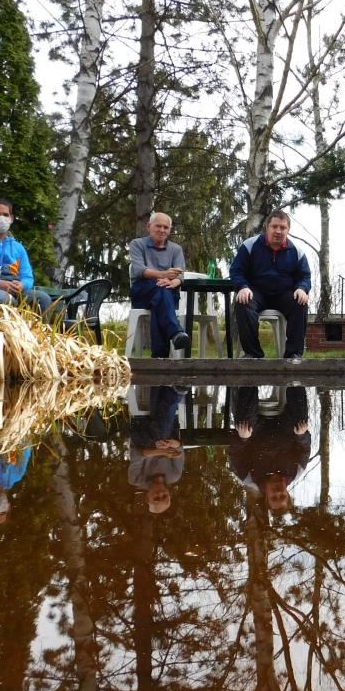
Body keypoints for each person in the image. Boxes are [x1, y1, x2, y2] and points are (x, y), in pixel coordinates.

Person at [230, 209, 311, 360]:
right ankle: (253, 355)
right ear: (267, 227)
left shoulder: (297, 251)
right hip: (256, 293)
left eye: (283, 227)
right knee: (243, 301)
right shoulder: (249, 245)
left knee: (300, 302)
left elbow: (304, 276)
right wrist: (242, 286)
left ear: (288, 230)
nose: (278, 231)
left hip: (284, 294)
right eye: (274, 226)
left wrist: (302, 288)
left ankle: (293, 355)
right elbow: (236, 271)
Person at [229, 385, 311, 513]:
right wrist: (301, 436)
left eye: (274, 497)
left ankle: (249, 379)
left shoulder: (247, 478)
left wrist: (243, 439)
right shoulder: (297, 471)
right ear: (287, 494)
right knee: (301, 422)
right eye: (282, 496)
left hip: (256, 431)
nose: (278, 493)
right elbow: (305, 449)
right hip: (284, 429)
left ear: (266, 497)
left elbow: (235, 453)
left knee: (244, 424)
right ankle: (295, 379)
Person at [128, 211, 191, 357]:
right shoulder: (137, 244)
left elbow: (180, 275)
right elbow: (140, 270)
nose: (162, 230)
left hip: (167, 292)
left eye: (166, 227)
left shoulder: (176, 249)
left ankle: (160, 356)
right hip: (142, 292)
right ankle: (175, 332)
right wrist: (164, 275)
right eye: (158, 226)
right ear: (148, 226)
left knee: (161, 296)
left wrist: (174, 281)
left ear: (169, 230)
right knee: (161, 292)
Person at [129, 385, 185, 514]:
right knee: (163, 434)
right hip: (166, 430)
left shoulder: (136, 480)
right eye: (164, 496)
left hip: (141, 431)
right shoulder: (174, 475)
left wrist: (162, 451)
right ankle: (161, 384)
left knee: (160, 435)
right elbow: (180, 449)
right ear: (169, 493)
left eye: (156, 498)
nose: (160, 494)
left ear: (147, 497)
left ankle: (175, 392)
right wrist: (173, 444)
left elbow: (137, 454)